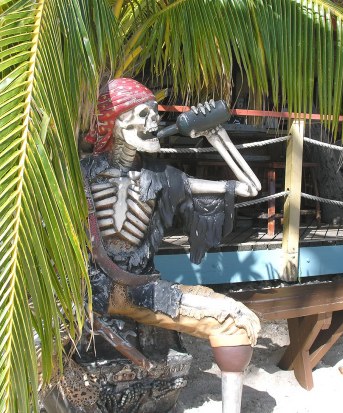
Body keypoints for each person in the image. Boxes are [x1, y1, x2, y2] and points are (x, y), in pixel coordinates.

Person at [66, 78, 262, 413]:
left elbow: (249, 187)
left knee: (235, 320)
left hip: (137, 290)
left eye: (154, 114)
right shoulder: (78, 174)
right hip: (84, 289)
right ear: (113, 121)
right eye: (141, 114)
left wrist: (216, 136)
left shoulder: (164, 177)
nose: (152, 122)